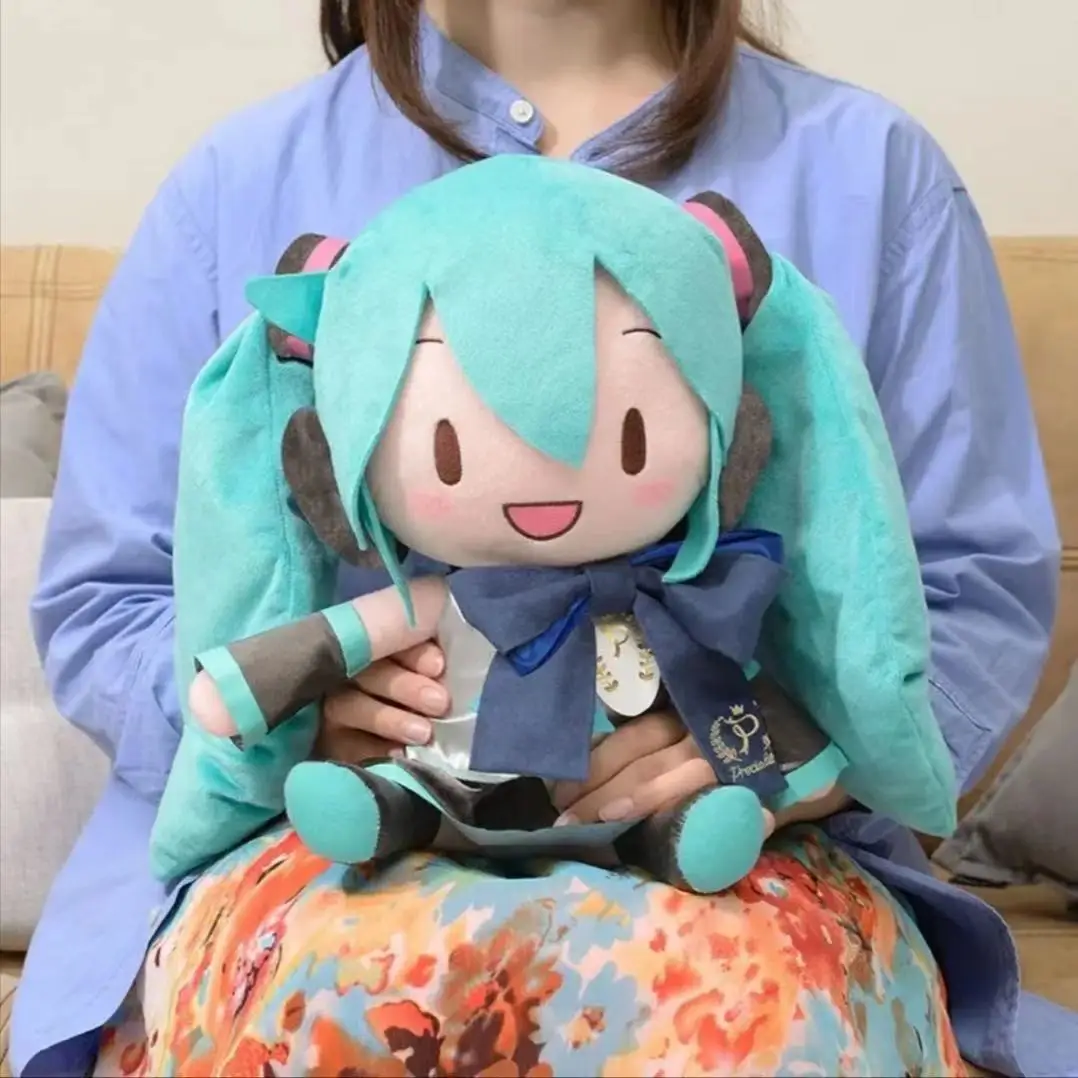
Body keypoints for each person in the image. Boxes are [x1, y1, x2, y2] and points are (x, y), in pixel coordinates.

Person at [10, 0, 1067, 1075]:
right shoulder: (234, 183)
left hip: (747, 849)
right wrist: (296, 721)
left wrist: (771, 742)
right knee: (357, 992)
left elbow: (972, 591)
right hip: (325, 840)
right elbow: (106, 601)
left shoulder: (872, 171)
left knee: (743, 1014)